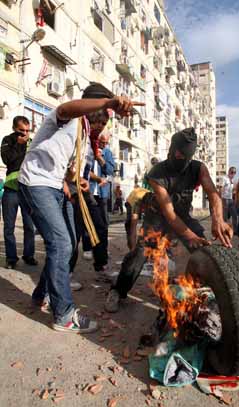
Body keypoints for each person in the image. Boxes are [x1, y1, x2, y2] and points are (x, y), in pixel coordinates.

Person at [18, 82, 142, 333]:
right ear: (96, 107)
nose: (105, 124)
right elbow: (66, 107)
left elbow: (62, 162)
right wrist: (109, 102)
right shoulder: (68, 117)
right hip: (36, 184)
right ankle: (63, 315)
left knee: (69, 243)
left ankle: (41, 294)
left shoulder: (83, 133)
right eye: (105, 118)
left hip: (56, 186)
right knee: (61, 244)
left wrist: (74, 179)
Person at [105, 128, 233, 313]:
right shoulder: (158, 172)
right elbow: (169, 214)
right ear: (171, 148)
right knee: (139, 255)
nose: (179, 156)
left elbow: (213, 194)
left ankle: (197, 292)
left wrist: (218, 219)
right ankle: (118, 290)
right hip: (157, 220)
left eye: (184, 155)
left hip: (183, 217)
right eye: (177, 152)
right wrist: (189, 236)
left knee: (202, 250)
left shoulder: (198, 168)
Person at [1, 116, 37, 269]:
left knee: (30, 226)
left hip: (28, 190)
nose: (24, 134)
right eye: (21, 131)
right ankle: (11, 258)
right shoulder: (8, 140)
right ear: (14, 129)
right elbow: (8, 160)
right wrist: (18, 145)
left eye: (27, 131)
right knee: (9, 227)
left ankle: (29, 255)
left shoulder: (32, 143)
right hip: (11, 189)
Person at [82, 127, 115, 272]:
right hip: (85, 192)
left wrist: (100, 157)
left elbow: (110, 170)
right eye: (101, 142)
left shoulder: (107, 152)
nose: (104, 145)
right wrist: (96, 177)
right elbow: (81, 170)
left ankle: (101, 261)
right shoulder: (86, 147)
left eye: (106, 143)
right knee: (85, 224)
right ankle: (87, 248)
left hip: (101, 194)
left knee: (102, 227)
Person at [219, 166, 238, 234]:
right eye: (232, 172)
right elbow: (220, 188)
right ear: (229, 171)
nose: (233, 174)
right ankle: (225, 230)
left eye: (234, 172)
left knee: (235, 215)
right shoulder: (224, 178)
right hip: (224, 199)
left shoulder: (232, 180)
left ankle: (235, 231)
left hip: (231, 200)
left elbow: (233, 190)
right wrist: (220, 199)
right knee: (225, 216)